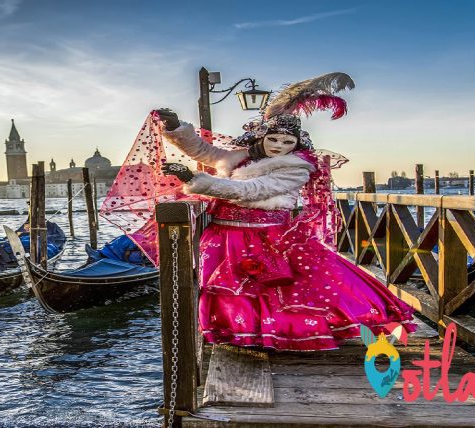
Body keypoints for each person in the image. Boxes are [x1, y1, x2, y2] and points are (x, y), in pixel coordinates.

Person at [153, 72, 416, 351]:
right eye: (274, 139)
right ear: (262, 137)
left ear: (296, 146)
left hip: (264, 236)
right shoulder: (240, 156)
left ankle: (281, 334)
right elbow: (203, 151)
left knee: (277, 289)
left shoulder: (295, 169)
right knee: (229, 290)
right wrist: (176, 128)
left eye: (287, 142)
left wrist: (192, 180)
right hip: (223, 233)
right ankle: (239, 334)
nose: (279, 146)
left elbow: (250, 191)